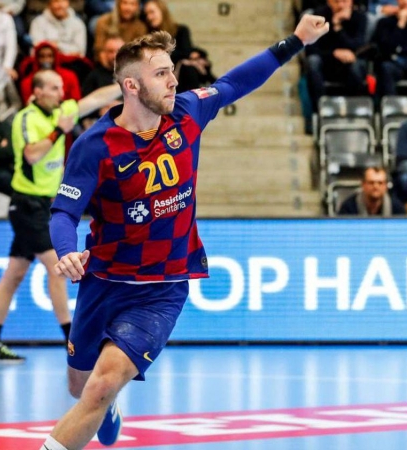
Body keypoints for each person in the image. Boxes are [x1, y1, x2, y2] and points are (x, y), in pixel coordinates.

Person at [40, 17, 330, 450]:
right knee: (79, 385)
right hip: (104, 280)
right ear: (132, 87)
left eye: (172, 70)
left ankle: (104, 398)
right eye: (161, 74)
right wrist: (65, 251)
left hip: (163, 285)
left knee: (99, 386)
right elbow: (63, 213)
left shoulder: (188, 113)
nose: (174, 80)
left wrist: (297, 41)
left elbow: (236, 82)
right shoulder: (95, 146)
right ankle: (107, 401)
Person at [0, 69, 121, 362]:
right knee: (58, 266)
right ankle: (72, 341)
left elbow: (93, 100)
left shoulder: (62, 109)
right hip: (27, 204)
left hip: (45, 204)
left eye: (61, 88)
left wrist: (127, 85)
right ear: (39, 91)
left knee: (14, 274)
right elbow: (32, 155)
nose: (61, 93)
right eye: (54, 88)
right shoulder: (26, 118)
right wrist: (60, 130)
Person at [304, 0, 368, 110]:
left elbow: (358, 47)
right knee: (312, 61)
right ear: (329, 2)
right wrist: (334, 53)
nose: (340, 5)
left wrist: (338, 26)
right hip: (326, 64)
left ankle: (354, 109)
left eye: (344, 1)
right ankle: (321, 109)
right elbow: (311, 49)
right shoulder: (318, 16)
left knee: (356, 66)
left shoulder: (359, 17)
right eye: (336, 1)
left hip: (349, 65)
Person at [338, 166, 406, 215]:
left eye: (380, 183)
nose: (376, 187)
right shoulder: (348, 207)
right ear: (363, 184)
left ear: (386, 186)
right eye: (371, 183)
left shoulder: (397, 208)